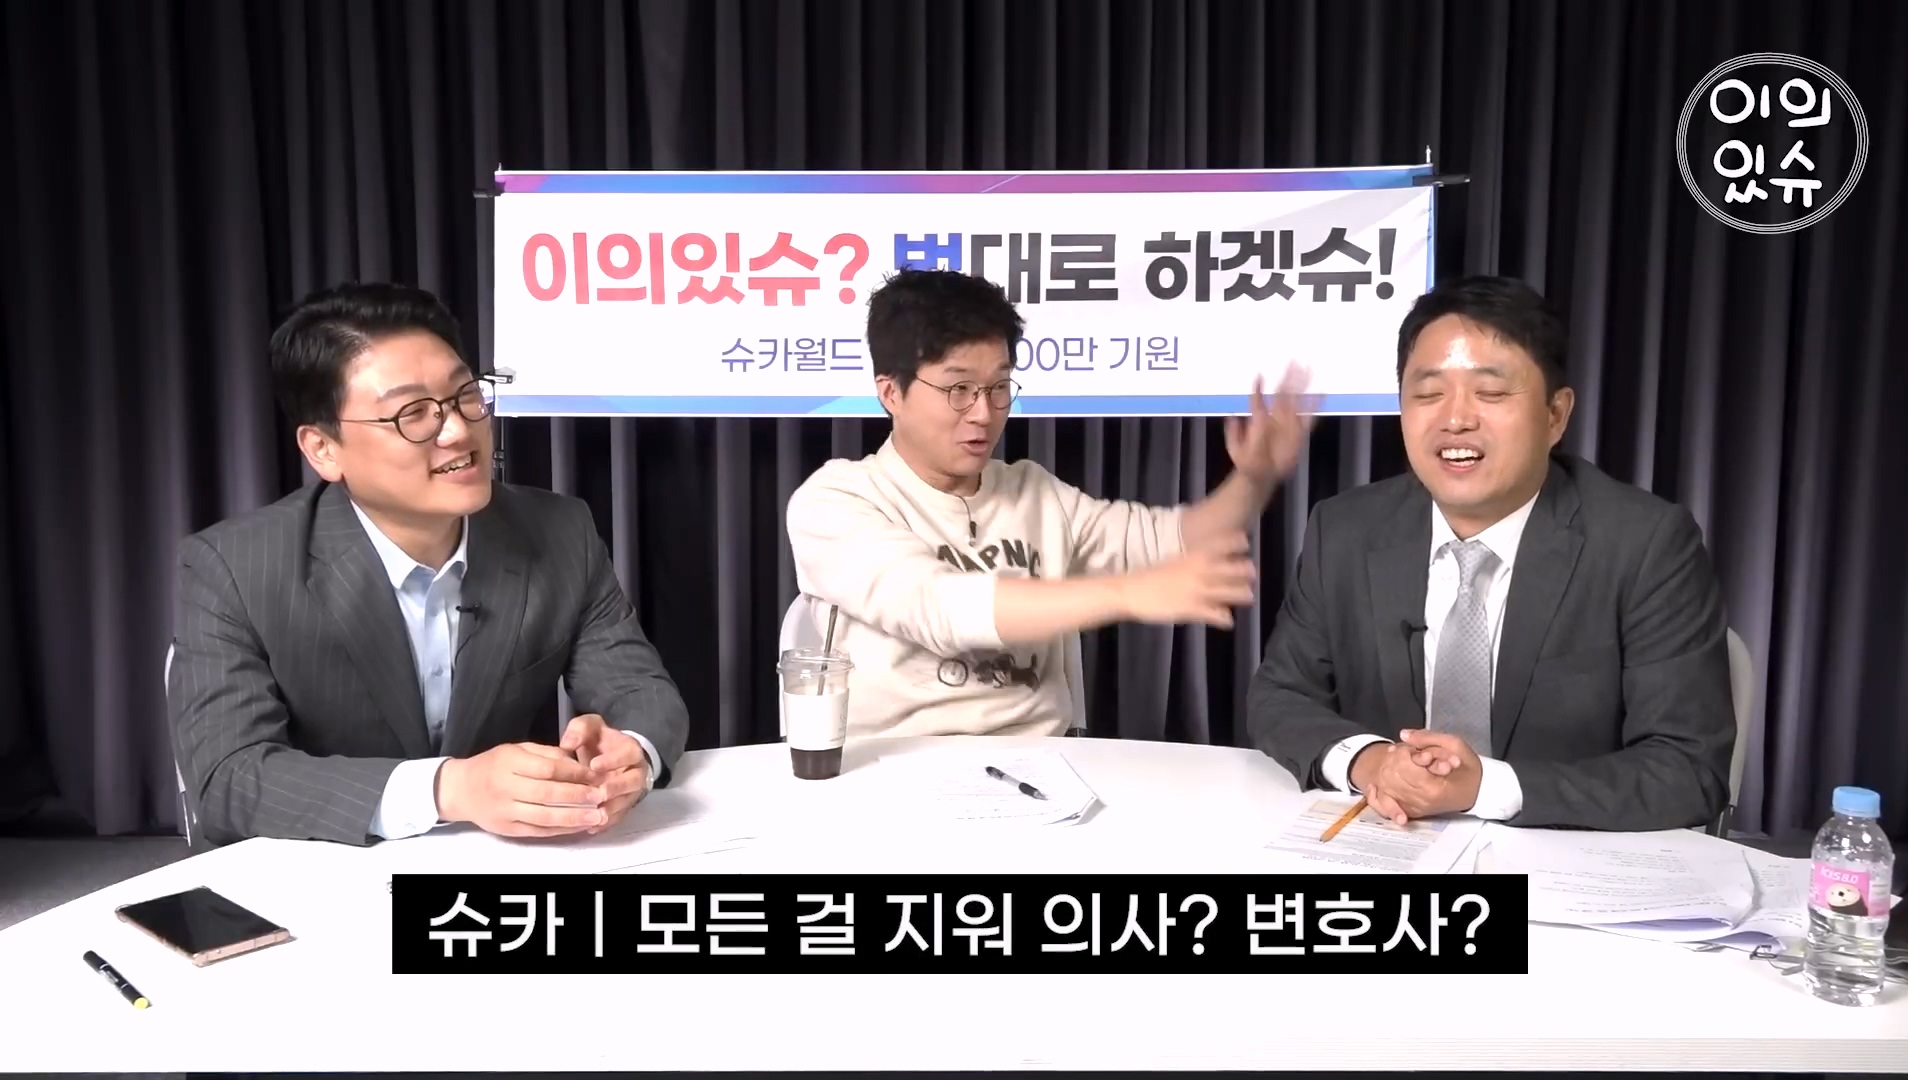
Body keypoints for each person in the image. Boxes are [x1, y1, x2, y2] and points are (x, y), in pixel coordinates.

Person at [166, 282, 689, 848]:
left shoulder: (561, 531)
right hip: (324, 864)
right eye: (412, 414)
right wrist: (449, 788)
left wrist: (631, 754)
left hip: (498, 864)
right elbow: (228, 776)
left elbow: (640, 689)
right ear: (323, 449)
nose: (459, 431)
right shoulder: (234, 568)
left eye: (466, 395)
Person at [1246, 275, 1736, 832]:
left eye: (1492, 393)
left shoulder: (1645, 544)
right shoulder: (1345, 531)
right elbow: (1279, 695)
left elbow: (1687, 767)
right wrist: (1371, 761)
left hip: (1562, 858)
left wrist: (1482, 788)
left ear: (1555, 415)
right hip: (1392, 846)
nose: (1455, 419)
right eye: (1428, 394)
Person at [786, 267, 1312, 740]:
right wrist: (1128, 593)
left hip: (1043, 767)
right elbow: (940, 608)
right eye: (958, 389)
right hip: (893, 769)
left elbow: (1169, 540)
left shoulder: (1033, 492)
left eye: (999, 387)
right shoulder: (837, 500)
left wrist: (1253, 479)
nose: (983, 413)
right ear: (891, 393)